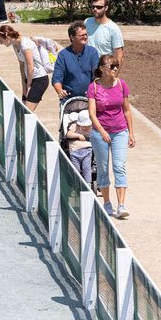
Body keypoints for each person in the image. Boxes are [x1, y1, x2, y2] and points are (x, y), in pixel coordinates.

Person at [87, 54, 135, 218]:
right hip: (100, 133)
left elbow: (127, 110)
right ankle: (107, 203)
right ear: (102, 69)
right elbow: (92, 114)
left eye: (116, 66)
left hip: (120, 131)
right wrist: (101, 131)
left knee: (119, 166)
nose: (115, 69)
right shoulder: (93, 87)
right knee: (103, 168)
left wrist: (131, 133)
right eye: (112, 66)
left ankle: (121, 205)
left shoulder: (121, 85)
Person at [0, 25, 49, 111]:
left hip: (39, 79)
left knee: (27, 112)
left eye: (1, 40)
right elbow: (21, 65)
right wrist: (24, 85)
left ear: (7, 37)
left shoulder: (25, 44)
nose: (1, 43)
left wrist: (28, 86)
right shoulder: (15, 44)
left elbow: (30, 67)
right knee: (23, 110)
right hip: (29, 79)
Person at [52, 21, 99, 104]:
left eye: (86, 34)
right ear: (72, 37)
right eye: (81, 35)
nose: (85, 37)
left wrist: (94, 91)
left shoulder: (92, 52)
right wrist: (60, 91)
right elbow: (57, 78)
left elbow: (97, 76)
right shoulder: (63, 55)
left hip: (89, 99)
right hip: (69, 100)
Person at [85, 0, 124, 68]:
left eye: (99, 7)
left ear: (106, 8)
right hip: (87, 68)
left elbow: (119, 55)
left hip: (104, 71)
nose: (95, 9)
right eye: (93, 7)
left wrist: (114, 75)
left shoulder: (113, 28)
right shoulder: (87, 22)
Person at [66, 109, 94, 188]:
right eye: (83, 126)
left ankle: (88, 184)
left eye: (87, 126)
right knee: (76, 169)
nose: (85, 128)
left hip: (87, 151)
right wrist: (78, 136)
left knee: (87, 168)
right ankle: (76, 185)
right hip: (74, 152)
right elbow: (68, 134)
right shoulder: (74, 125)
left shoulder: (93, 127)